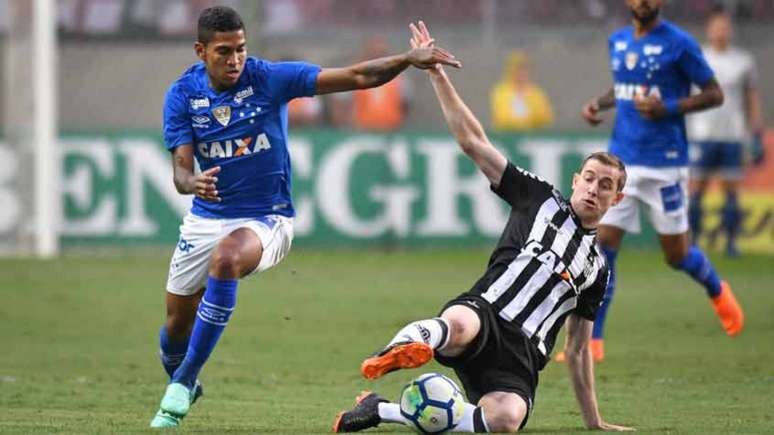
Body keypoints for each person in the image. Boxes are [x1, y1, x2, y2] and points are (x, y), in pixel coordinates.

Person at [150, 7, 460, 428]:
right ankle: (180, 373)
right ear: (201, 51)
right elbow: (181, 172)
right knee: (174, 327)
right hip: (205, 218)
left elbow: (356, 77)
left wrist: (408, 60)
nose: (235, 59)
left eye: (240, 49)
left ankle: (184, 382)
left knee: (225, 260)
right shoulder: (182, 95)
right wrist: (192, 184)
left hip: (267, 219)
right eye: (224, 52)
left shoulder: (268, 79)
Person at [333, 21, 633, 433]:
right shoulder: (538, 198)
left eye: (606, 185)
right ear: (575, 180)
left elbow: (578, 348)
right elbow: (474, 142)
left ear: (616, 198)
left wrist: (594, 421)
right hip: (486, 313)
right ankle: (399, 348)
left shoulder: (598, 268)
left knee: (506, 420)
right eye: (590, 178)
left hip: (523, 355)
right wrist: (436, 74)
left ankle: (381, 410)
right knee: (458, 324)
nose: (594, 189)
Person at [560, 0, 744, 363]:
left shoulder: (680, 43)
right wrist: (598, 104)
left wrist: (668, 108)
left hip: (665, 164)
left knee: (676, 255)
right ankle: (591, 344)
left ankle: (717, 289)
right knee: (603, 251)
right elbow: (625, 87)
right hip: (621, 163)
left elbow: (714, 94)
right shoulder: (618, 40)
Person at [687, 5, 765, 257]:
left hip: (732, 134)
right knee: (697, 189)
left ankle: (731, 243)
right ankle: (693, 242)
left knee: (731, 191)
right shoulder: (698, 57)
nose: (721, 31)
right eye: (717, 26)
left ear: (730, 30)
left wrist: (756, 132)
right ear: (709, 30)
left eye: (725, 27)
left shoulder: (742, 61)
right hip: (702, 134)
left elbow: (751, 98)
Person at [330, 36, 413, 131]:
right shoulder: (356, 73)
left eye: (381, 53)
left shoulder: (399, 77)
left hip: (391, 129)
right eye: (375, 53)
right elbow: (341, 103)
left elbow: (406, 103)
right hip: (362, 129)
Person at [490, 51, 554, 131]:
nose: (521, 73)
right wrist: (527, 121)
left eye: (524, 69)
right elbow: (501, 117)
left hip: (532, 136)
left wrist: (528, 121)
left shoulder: (536, 93)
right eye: (518, 69)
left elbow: (546, 116)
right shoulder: (501, 92)